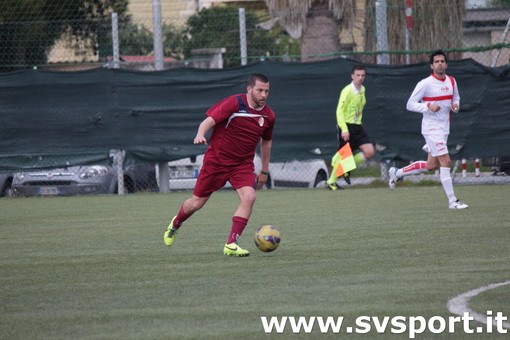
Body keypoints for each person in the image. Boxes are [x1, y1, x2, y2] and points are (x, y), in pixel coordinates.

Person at [163, 73, 275, 256]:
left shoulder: (269, 115)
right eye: (259, 90)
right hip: (217, 162)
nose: (263, 95)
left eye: (267, 91)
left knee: (249, 197)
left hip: (242, 165)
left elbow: (266, 142)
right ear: (249, 89)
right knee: (196, 203)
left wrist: (264, 169)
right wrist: (200, 134)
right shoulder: (235, 103)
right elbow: (208, 121)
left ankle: (231, 244)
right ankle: (176, 223)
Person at [388, 50, 468, 210]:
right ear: (432, 65)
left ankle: (397, 173)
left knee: (431, 165)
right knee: (445, 161)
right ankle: (452, 201)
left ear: (446, 64)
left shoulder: (452, 81)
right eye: (436, 61)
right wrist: (428, 106)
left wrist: (456, 106)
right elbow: (410, 104)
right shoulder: (425, 83)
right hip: (431, 129)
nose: (439, 63)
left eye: (442, 61)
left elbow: (456, 98)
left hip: (444, 129)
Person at [326, 65, 375, 190]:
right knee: (343, 155)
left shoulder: (363, 89)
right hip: (347, 127)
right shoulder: (347, 91)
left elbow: (358, 108)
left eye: (363, 75)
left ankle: (346, 167)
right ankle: (331, 181)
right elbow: (339, 111)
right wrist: (344, 129)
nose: (360, 78)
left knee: (370, 152)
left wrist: (359, 120)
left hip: (358, 127)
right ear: (352, 76)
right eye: (357, 75)